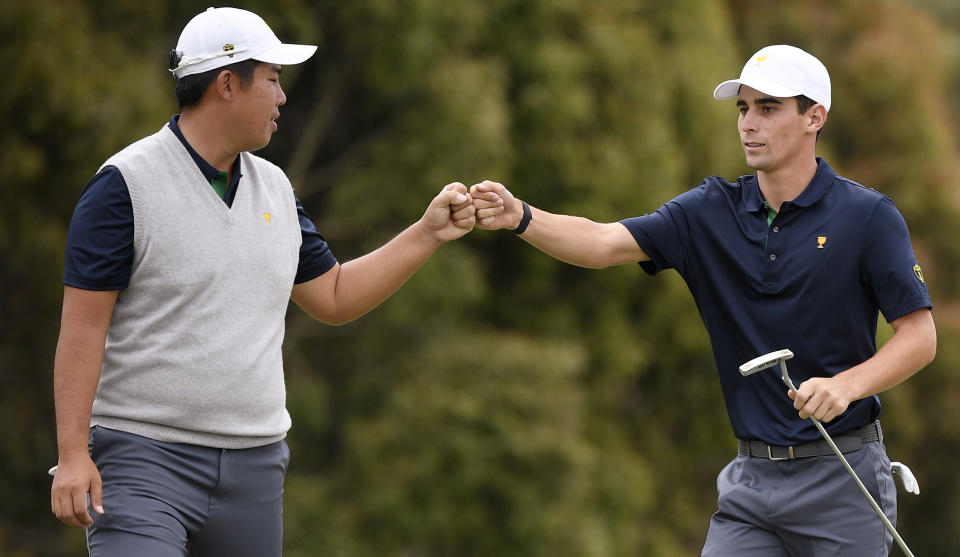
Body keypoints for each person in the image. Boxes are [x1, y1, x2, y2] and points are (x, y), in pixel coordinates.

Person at [470, 44, 936, 556]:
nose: (749, 124)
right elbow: (602, 243)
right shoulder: (709, 211)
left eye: (768, 108)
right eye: (743, 108)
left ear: (814, 117)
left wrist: (847, 386)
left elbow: (919, 337)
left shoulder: (868, 217)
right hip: (751, 487)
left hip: (843, 478)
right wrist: (520, 217)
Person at [50, 7, 483, 556]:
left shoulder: (276, 188)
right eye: (274, 80)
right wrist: (71, 454)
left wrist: (426, 234)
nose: (282, 98)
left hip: (255, 470)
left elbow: (333, 296)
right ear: (227, 83)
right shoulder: (123, 186)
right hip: (141, 460)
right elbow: (82, 330)